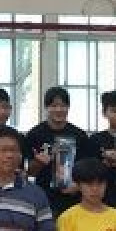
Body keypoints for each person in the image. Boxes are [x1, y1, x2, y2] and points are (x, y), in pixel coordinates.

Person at [25, 87, 95, 217]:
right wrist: (39, 162)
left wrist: (78, 186)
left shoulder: (79, 135)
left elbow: (88, 169)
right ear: (46, 107)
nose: (58, 110)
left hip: (73, 198)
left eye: (63, 106)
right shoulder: (34, 134)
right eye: (54, 106)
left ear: (68, 107)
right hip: (44, 197)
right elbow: (29, 172)